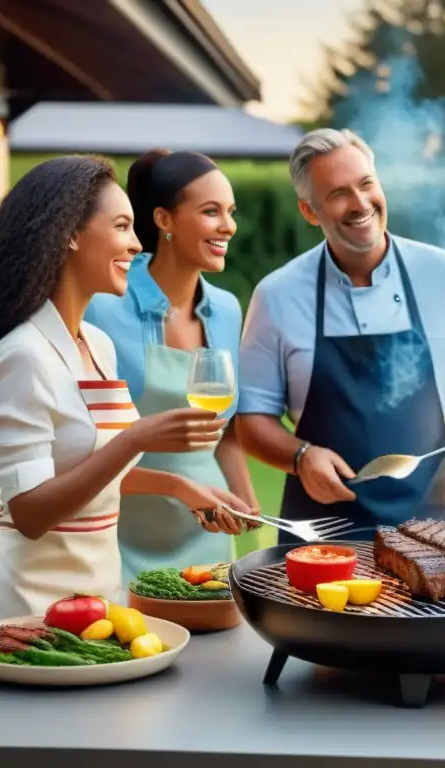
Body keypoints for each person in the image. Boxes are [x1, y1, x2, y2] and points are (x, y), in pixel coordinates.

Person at [0, 156, 253, 632]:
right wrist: (136, 439)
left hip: (97, 594)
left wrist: (180, 488)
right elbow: (28, 512)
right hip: (31, 603)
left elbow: (93, 475)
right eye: (121, 226)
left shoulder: (96, 345)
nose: (136, 245)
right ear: (70, 235)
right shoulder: (23, 355)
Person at [235, 128, 445, 541]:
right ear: (310, 211)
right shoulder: (277, 295)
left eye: (366, 184)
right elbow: (251, 419)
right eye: (339, 193)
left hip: (439, 530)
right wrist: (301, 455)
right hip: (323, 535)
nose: (360, 203)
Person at [85, 149, 260, 587]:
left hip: (210, 534)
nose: (229, 226)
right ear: (163, 220)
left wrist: (245, 499)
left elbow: (226, 432)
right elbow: (79, 454)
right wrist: (178, 487)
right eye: (211, 212)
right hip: (120, 538)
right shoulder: (103, 308)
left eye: (231, 212)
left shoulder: (225, 309)